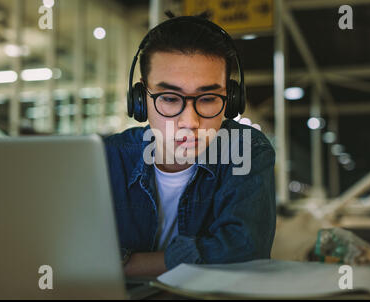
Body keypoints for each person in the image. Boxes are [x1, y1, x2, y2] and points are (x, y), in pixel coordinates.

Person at [104, 14, 276, 277]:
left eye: (208, 98)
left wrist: (126, 264)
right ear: (140, 100)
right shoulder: (106, 158)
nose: (190, 121)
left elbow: (246, 251)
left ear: (230, 101)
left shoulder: (246, 149)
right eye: (170, 98)